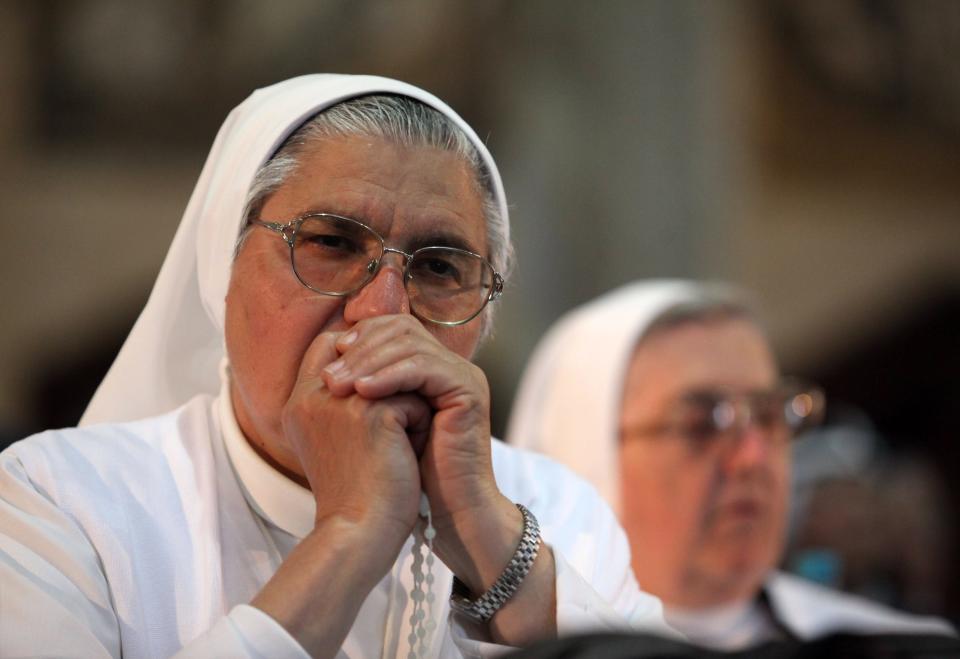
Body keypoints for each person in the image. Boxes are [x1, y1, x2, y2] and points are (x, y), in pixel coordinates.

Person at [0, 76, 671, 658]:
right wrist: (350, 534)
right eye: (331, 242)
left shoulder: (558, 509)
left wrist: (490, 541)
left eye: (439, 266)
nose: (383, 313)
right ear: (222, 269)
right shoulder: (56, 502)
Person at [506, 280, 954, 650]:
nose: (753, 458)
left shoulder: (896, 648)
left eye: (769, 414)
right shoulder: (507, 648)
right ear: (579, 455)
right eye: (702, 423)